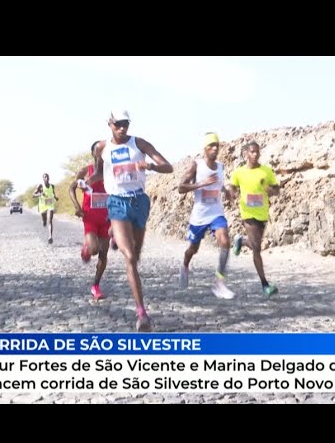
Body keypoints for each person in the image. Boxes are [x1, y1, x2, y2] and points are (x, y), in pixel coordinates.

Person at [87, 109, 173, 332]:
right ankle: (142, 312)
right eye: (118, 124)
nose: (122, 128)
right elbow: (98, 172)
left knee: (137, 252)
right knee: (130, 257)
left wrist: (151, 166)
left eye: (126, 124)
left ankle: (117, 235)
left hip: (139, 202)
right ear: (110, 124)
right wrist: (85, 183)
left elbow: (168, 166)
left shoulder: (139, 144)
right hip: (117, 202)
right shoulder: (102, 148)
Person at [178, 132, 235, 299]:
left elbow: (220, 184)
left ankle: (219, 283)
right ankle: (184, 266)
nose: (215, 149)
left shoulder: (221, 167)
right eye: (211, 146)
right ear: (205, 148)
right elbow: (181, 187)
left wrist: (227, 192)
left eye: (217, 145)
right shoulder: (196, 165)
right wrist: (202, 183)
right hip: (199, 216)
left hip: (216, 213)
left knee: (225, 241)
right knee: (192, 249)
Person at [227, 141, 280, 296]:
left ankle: (241, 241)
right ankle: (265, 285)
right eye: (252, 152)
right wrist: (232, 193)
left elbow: (277, 191)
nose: (255, 154)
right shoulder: (239, 172)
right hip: (247, 213)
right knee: (257, 248)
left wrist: (269, 189)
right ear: (245, 154)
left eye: (257, 152)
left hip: (262, 213)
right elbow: (233, 188)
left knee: (254, 244)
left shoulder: (266, 171)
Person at [69, 141, 111, 300]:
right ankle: (87, 247)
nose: (102, 155)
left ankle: (96, 285)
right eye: (99, 152)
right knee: (94, 250)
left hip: (107, 217)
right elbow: (71, 188)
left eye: (105, 151)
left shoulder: (111, 171)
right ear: (93, 154)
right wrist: (77, 207)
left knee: (103, 253)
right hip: (90, 217)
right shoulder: (86, 171)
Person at [33, 173, 59, 244]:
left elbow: (53, 193)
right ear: (43, 178)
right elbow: (33, 195)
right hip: (42, 204)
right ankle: (44, 221)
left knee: (50, 220)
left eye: (47, 177)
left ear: (49, 178)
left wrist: (55, 197)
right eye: (45, 177)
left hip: (50, 203)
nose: (46, 178)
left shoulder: (52, 186)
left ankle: (50, 237)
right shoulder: (40, 186)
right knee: (44, 219)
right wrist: (40, 194)